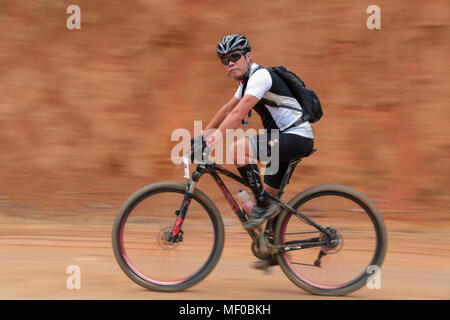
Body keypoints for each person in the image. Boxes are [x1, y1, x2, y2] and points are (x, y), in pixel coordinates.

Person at [198, 34, 315, 231]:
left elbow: (237, 114)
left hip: (296, 136)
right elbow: (227, 109)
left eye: (235, 57)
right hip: (285, 139)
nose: (230, 64)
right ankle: (271, 250)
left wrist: (211, 141)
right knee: (269, 202)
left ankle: (262, 204)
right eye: (225, 61)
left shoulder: (260, 76)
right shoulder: (245, 83)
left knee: (238, 150)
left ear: (248, 56)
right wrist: (203, 136)